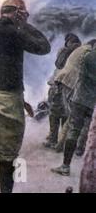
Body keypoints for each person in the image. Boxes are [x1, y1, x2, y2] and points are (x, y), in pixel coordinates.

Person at [0, 0, 50, 193]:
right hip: (7, 96)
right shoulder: (17, 31)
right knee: (8, 155)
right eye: (24, 12)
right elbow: (44, 47)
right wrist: (24, 23)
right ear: (19, 12)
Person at [52, 41, 96, 176]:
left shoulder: (88, 56)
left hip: (80, 98)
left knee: (73, 130)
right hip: (93, 103)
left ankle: (65, 166)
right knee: (91, 133)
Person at [43, 33, 81, 149]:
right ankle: (61, 140)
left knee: (54, 114)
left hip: (59, 85)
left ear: (68, 41)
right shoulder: (81, 52)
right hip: (73, 87)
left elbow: (58, 64)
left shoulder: (66, 51)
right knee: (66, 114)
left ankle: (53, 140)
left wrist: (63, 51)